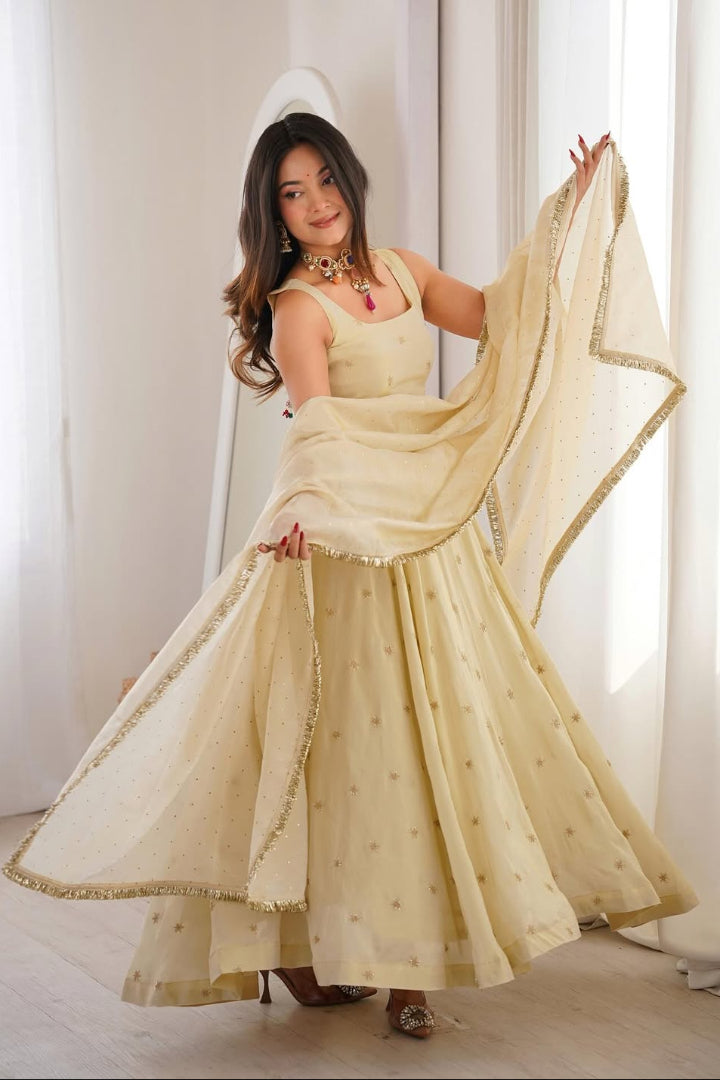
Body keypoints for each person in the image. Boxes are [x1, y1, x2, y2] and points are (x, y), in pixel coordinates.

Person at [4, 113, 697, 1041]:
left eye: (325, 180)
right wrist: (307, 515)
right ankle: (384, 960)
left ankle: (406, 951)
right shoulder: (297, 308)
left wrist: (564, 217)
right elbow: (317, 424)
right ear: (275, 214)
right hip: (350, 535)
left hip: (432, 529)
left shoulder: (403, 269)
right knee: (380, 753)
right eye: (293, 192)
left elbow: (497, 318)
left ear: (349, 181)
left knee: (451, 733)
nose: (318, 203)